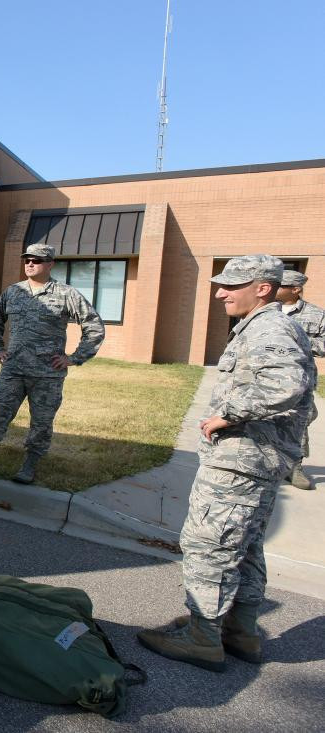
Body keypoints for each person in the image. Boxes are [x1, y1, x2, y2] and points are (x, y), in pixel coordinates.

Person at [138, 255, 316, 670]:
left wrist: (227, 413)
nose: (220, 293)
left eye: (232, 285)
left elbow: (286, 385)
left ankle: (202, 637)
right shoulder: (266, 325)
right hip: (257, 459)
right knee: (246, 546)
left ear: (263, 288)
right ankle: (240, 632)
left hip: (242, 460)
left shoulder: (270, 328)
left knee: (209, 546)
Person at [0, 243, 105, 484]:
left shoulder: (66, 294)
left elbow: (94, 327)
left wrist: (74, 358)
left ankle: (30, 464)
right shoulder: (13, 292)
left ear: (50, 264)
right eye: (27, 259)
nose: (30, 263)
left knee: (42, 423)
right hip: (13, 370)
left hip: (47, 374)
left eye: (36, 260)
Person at [275, 269, 324, 490]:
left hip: (299, 378)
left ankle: (294, 466)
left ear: (295, 289)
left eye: (281, 285)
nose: (275, 288)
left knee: (300, 420)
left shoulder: (316, 315)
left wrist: (296, 341)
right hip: (265, 375)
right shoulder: (264, 310)